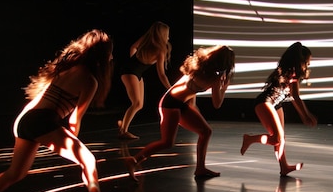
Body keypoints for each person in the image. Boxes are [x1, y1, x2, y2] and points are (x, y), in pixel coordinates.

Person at [0, 29, 121, 192]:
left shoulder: (66, 69)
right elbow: (75, 118)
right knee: (88, 160)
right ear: (103, 54)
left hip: (25, 119)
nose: (112, 56)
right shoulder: (90, 80)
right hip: (42, 121)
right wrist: (73, 142)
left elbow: (40, 100)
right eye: (110, 52)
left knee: (16, 172)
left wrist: (26, 126)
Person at [125, 45, 235, 181]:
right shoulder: (214, 77)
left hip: (179, 102)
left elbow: (186, 90)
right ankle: (134, 160)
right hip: (170, 104)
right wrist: (224, 88)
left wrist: (193, 108)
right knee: (167, 142)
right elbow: (217, 104)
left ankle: (200, 168)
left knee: (206, 131)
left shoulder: (201, 67)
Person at [240, 42, 317, 176]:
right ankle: (249, 139)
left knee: (281, 138)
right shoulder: (292, 71)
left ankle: (284, 167)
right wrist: (306, 115)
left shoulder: (290, 71)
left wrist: (304, 115)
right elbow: (296, 97)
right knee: (276, 138)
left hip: (276, 104)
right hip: (265, 103)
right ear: (302, 60)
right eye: (308, 61)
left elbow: (293, 98)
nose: (309, 64)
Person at [118, 21, 172, 139]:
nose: (168, 37)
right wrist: (170, 89)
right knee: (136, 103)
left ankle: (123, 127)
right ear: (163, 35)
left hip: (136, 72)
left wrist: (134, 59)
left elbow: (133, 47)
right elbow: (162, 75)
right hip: (129, 72)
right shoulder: (160, 50)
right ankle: (123, 131)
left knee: (139, 104)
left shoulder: (148, 40)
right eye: (167, 34)